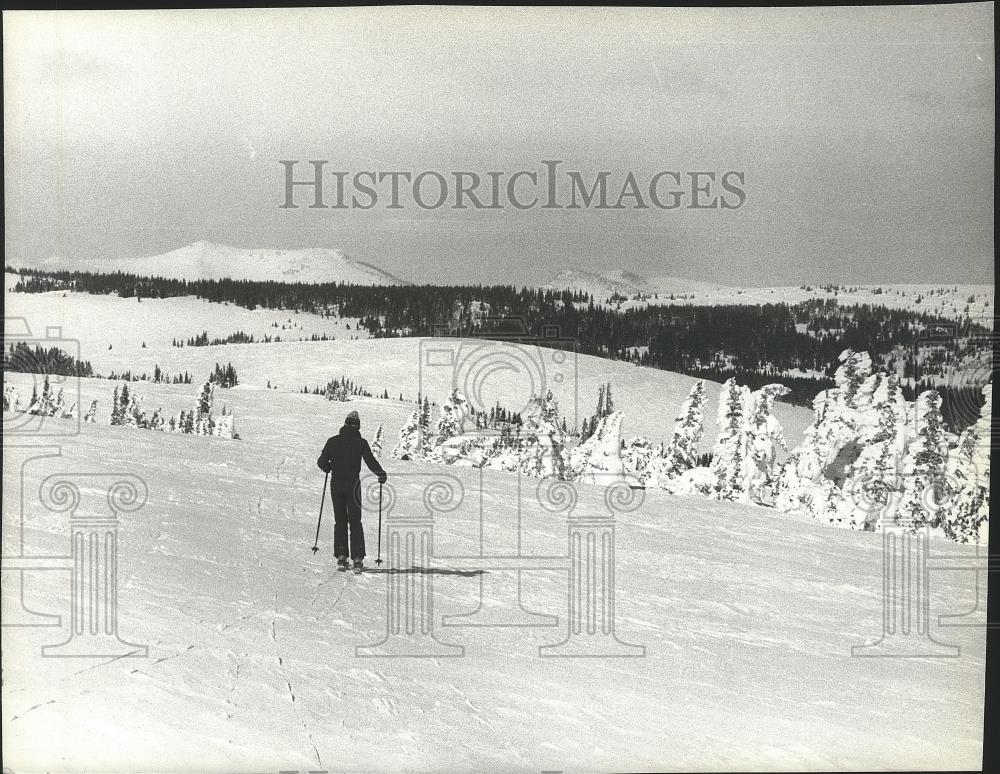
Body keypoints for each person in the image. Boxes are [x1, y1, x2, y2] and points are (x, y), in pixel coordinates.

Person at [316, 410, 387, 573]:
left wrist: (328, 467)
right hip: (353, 487)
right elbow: (371, 461)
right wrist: (381, 475)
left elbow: (321, 462)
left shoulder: (332, 441)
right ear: (358, 427)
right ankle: (357, 559)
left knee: (340, 520)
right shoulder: (360, 443)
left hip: (336, 485)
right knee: (355, 521)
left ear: (345, 424)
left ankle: (341, 557)